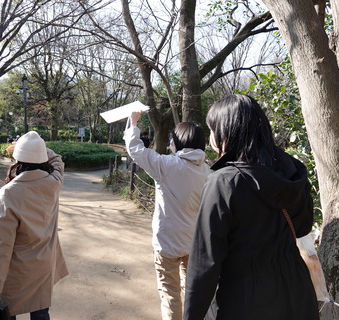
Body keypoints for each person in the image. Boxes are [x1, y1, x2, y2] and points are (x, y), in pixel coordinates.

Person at [183, 94, 319, 320]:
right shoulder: (293, 170)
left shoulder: (224, 182)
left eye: (212, 130)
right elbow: (303, 228)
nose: (210, 138)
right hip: (296, 293)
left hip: (244, 299)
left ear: (226, 131)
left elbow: (204, 263)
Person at [124, 112, 211, 320]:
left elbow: (135, 149)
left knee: (169, 294)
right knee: (191, 290)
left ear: (177, 143)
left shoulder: (166, 165)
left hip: (167, 243)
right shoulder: (209, 171)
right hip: (194, 243)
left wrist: (133, 122)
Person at [0, 131, 68, 320]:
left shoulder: (9, 193)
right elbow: (57, 160)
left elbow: (0, 245)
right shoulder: (54, 182)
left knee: (6, 311)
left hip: (18, 269)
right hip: (45, 263)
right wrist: (35, 147)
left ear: (17, 160)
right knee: (40, 310)